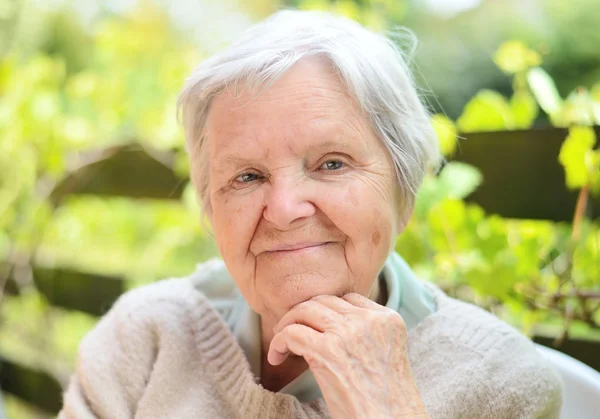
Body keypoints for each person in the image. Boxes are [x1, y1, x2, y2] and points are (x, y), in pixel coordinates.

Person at [59, 9, 563, 419]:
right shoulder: (143, 339)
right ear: (211, 208)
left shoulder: (501, 383)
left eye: (331, 163)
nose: (282, 210)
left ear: (403, 188)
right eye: (247, 177)